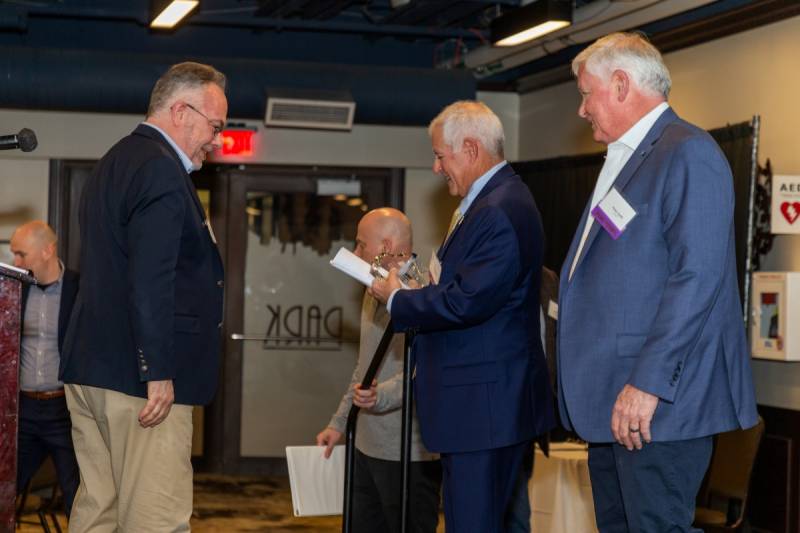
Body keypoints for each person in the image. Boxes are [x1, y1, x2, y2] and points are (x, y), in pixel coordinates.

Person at [557, 32, 758, 532]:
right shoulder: (632, 159)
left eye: (586, 93)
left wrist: (647, 382)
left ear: (621, 84)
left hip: (656, 404)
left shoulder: (687, 152)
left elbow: (698, 277)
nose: (582, 110)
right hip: (614, 402)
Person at [371, 101, 554, 532]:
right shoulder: (493, 201)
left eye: (440, 155)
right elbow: (470, 291)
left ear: (470, 149)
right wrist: (421, 293)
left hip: (483, 410)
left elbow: (467, 302)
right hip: (482, 408)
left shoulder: (497, 209)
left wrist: (397, 299)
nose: (436, 168)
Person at [60, 61, 227, 532]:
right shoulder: (160, 170)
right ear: (181, 111)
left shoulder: (116, 160)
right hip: (139, 382)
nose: (215, 139)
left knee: (98, 512)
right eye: (214, 126)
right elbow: (151, 278)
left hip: (92, 368)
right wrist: (158, 370)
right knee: (157, 519)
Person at [316, 207, 441, 533]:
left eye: (361, 244)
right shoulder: (375, 288)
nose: (356, 253)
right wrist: (339, 422)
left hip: (408, 452)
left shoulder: (422, 291)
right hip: (366, 444)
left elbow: (426, 365)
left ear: (386, 244)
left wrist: (380, 397)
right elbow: (366, 364)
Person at [10, 221, 80, 515]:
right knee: (4, 489)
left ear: (48, 251)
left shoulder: (80, 289)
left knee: (79, 497)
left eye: (22, 254)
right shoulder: (12, 289)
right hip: (23, 411)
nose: (16, 262)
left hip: (65, 410)